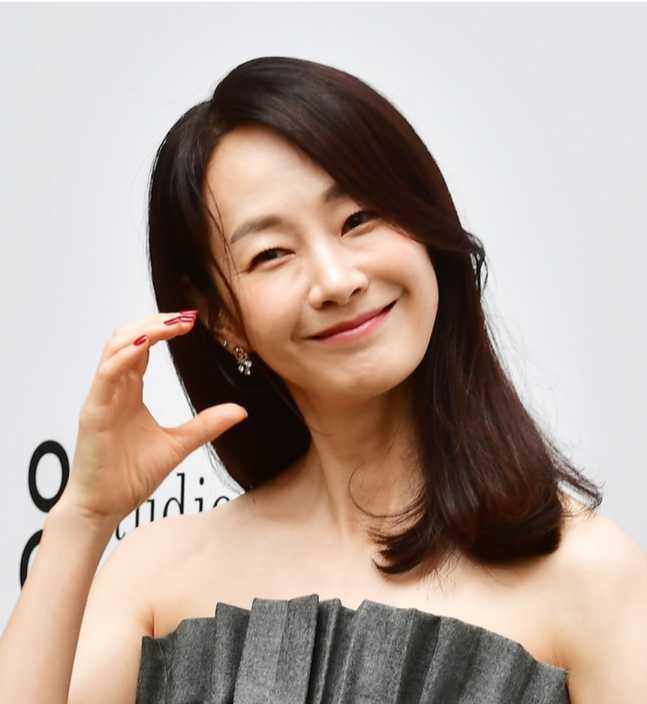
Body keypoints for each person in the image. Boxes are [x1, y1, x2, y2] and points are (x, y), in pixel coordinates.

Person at [1, 56, 645, 703]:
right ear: (222, 318)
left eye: (358, 219)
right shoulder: (155, 578)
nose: (337, 280)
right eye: (272, 253)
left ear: (424, 226)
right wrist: (83, 516)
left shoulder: (590, 578)